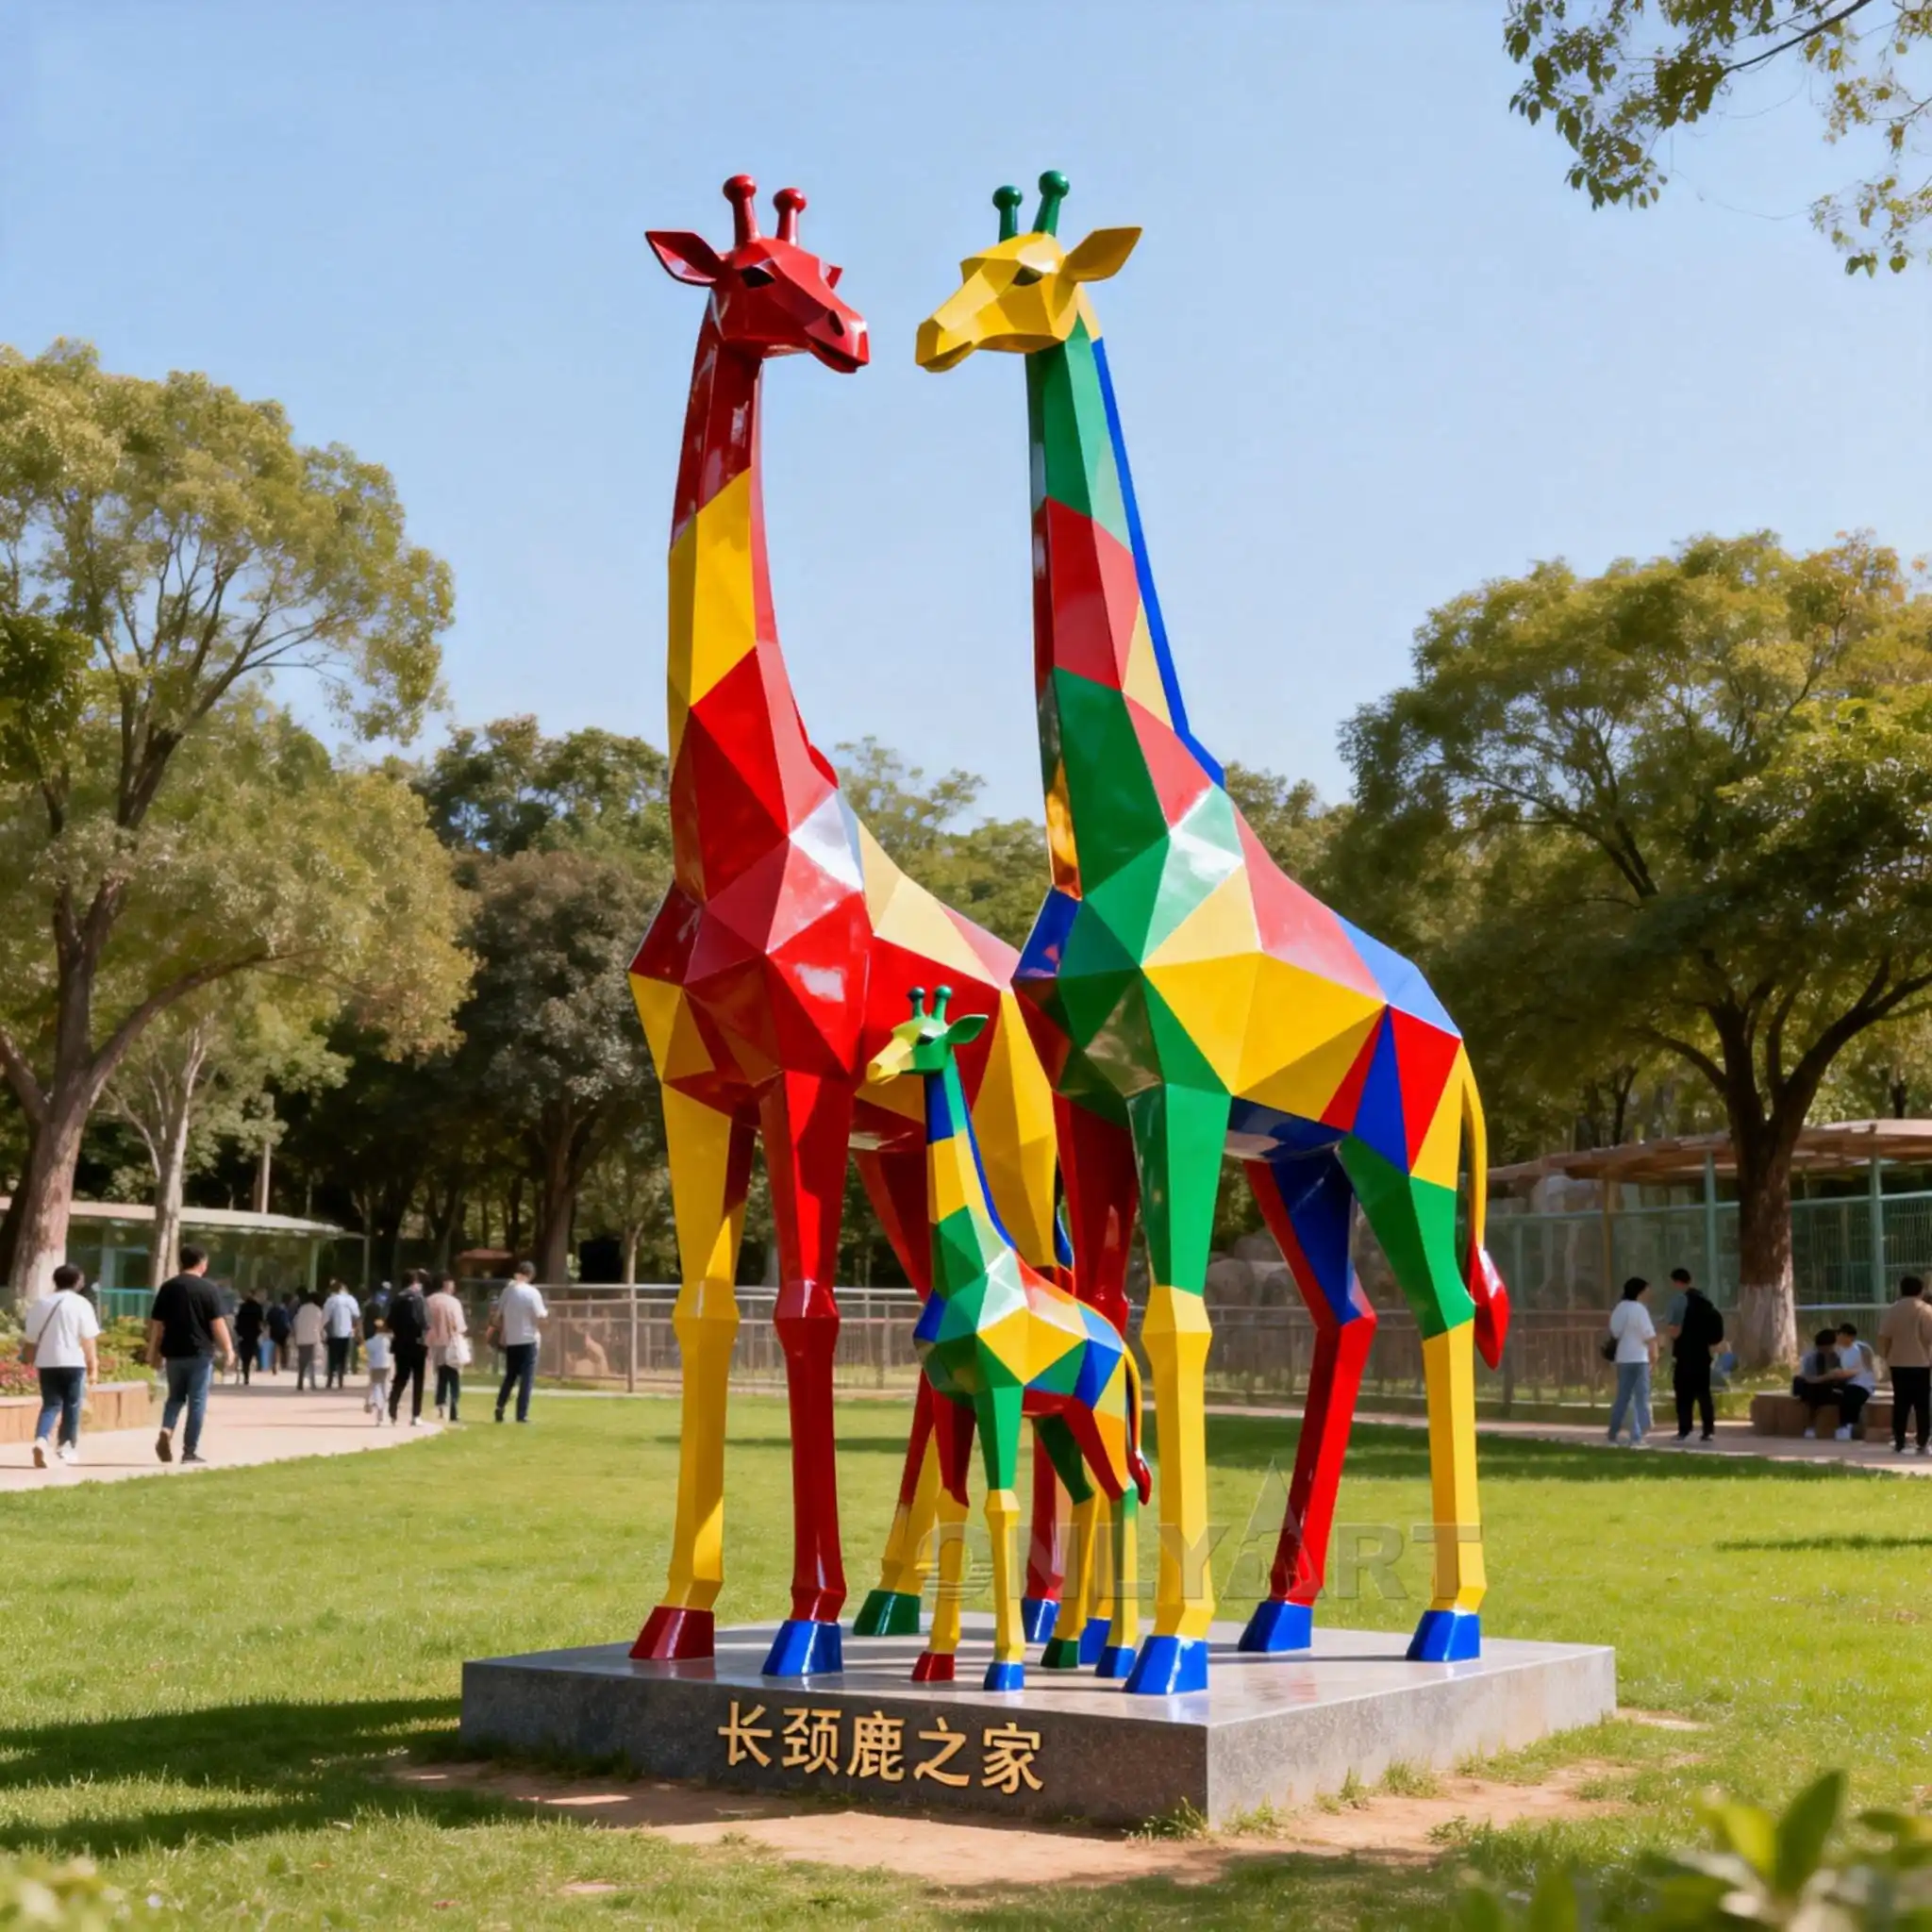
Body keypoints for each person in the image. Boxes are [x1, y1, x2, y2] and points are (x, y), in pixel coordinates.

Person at [148, 1244, 234, 1465]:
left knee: (175, 1398)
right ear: (202, 1263)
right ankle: (189, 1451)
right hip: (199, 1353)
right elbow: (217, 1323)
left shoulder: (168, 1287)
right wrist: (228, 1349)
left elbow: (157, 1325)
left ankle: (167, 1429)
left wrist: (153, 1352)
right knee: (197, 1401)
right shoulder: (208, 1289)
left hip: (173, 1353)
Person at [25, 1262, 100, 1468]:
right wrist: (93, 1367)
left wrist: (29, 1361)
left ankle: (41, 1439)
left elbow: (30, 1339)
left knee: (51, 1404)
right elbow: (88, 1340)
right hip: (74, 1362)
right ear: (77, 1282)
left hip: (47, 1362)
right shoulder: (81, 1304)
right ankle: (66, 1447)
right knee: (72, 1405)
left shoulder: (41, 1303)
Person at [1667, 1274, 1724, 1443]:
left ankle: (1684, 1429)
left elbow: (1674, 1330)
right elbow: (1716, 1333)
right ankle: (1708, 1430)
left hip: (1684, 1355)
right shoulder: (1705, 1303)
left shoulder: (1679, 1303)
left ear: (1677, 1283)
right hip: (1702, 1355)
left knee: (1683, 1394)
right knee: (1704, 1394)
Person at [1877, 1275, 1932, 1455]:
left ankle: (1899, 1440)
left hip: (1898, 1363)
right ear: (1921, 1290)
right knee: (1922, 1405)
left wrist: (1887, 1357)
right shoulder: (1925, 1310)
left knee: (1900, 1403)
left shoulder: (1892, 1310)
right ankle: (1922, 1441)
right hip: (1921, 1363)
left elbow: (1884, 1336)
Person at [491, 1262, 548, 1424]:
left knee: (510, 1376)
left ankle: (500, 1406)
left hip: (512, 1339)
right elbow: (541, 1315)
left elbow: (498, 1316)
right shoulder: (532, 1293)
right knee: (527, 1379)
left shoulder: (507, 1292)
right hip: (529, 1339)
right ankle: (521, 1414)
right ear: (530, 1275)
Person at [1606, 1276, 1657, 1447]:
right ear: (1639, 1292)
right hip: (1639, 1358)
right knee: (1640, 1397)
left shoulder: (1619, 1308)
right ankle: (1638, 1435)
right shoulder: (1639, 1309)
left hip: (1623, 1358)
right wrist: (1654, 1355)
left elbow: (1615, 1332)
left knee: (1623, 1398)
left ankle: (1613, 1433)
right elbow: (1649, 1336)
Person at [1792, 1327, 1868, 1440]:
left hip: (1836, 1385)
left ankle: (1845, 1427)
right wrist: (1827, 1376)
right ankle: (1810, 1426)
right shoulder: (1812, 1357)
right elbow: (1809, 1378)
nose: (1826, 1352)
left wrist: (1840, 1375)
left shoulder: (1843, 1354)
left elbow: (1855, 1372)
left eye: (1828, 1349)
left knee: (1850, 1391)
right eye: (1823, 1349)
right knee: (1805, 1386)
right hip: (1817, 1384)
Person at [387, 1270, 430, 1426]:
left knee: (401, 1376)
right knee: (418, 1379)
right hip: (418, 1343)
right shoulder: (419, 1298)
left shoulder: (397, 1299)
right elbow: (425, 1322)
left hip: (400, 1343)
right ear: (415, 1282)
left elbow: (389, 1322)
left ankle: (393, 1406)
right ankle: (416, 1414)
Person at [425, 1273, 469, 1424]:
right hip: (451, 1342)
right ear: (447, 1285)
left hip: (435, 1344)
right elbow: (459, 1326)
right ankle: (454, 1407)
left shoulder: (429, 1301)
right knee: (454, 1376)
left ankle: (440, 1407)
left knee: (441, 1376)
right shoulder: (453, 1302)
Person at [321, 1279, 360, 1391]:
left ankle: (329, 1381)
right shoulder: (350, 1300)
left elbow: (325, 1317)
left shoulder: (331, 1300)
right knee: (343, 1357)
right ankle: (340, 1381)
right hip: (347, 1333)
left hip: (333, 1333)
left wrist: (323, 1330)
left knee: (332, 1357)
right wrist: (357, 1330)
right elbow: (356, 1315)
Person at [291, 1291, 325, 1391]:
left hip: (301, 1337)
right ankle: (312, 1383)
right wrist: (322, 1335)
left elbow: (295, 1321)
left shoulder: (301, 1309)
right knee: (311, 1361)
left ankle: (300, 1382)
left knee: (302, 1361)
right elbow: (321, 1325)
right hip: (312, 1337)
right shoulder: (317, 1310)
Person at [232, 1291, 264, 1388]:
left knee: (244, 1354)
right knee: (252, 1352)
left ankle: (245, 1372)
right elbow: (260, 1320)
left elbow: (238, 1320)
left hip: (243, 1334)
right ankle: (256, 1366)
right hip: (254, 1333)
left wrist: (238, 1331)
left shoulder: (243, 1307)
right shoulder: (258, 1307)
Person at [364, 1320, 393, 1424]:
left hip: (375, 1366)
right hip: (386, 1366)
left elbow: (368, 1352)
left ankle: (373, 1403)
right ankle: (383, 1406)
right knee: (384, 1386)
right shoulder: (387, 1340)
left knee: (374, 1385)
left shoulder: (371, 1341)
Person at [264, 1291, 291, 1374]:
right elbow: (286, 1322)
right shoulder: (285, 1310)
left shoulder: (272, 1309)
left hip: (274, 1330)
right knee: (284, 1347)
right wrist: (290, 1330)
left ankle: (275, 1364)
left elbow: (267, 1321)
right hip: (283, 1331)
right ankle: (284, 1364)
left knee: (276, 1347)